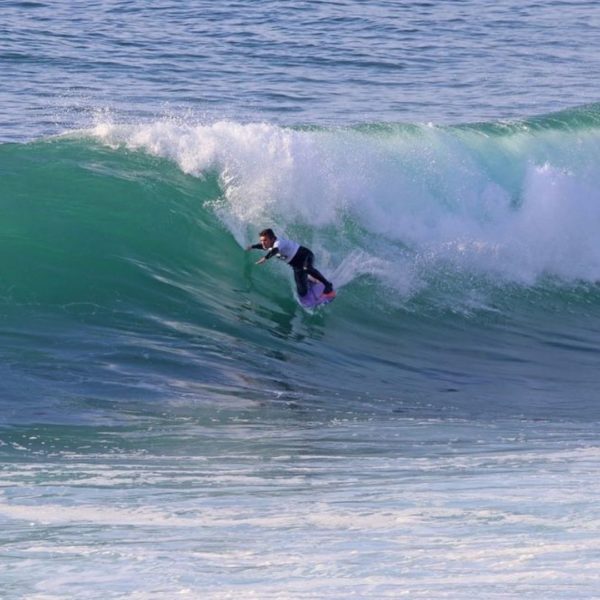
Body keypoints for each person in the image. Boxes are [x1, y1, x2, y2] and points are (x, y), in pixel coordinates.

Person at [246, 228, 334, 298]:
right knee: (302, 293)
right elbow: (262, 246)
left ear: (272, 239)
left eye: (265, 240)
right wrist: (252, 246)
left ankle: (328, 285)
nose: (263, 243)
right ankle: (310, 278)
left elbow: (275, 250)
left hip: (305, 255)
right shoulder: (268, 244)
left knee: (306, 268)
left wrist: (265, 258)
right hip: (296, 266)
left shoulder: (279, 243)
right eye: (261, 240)